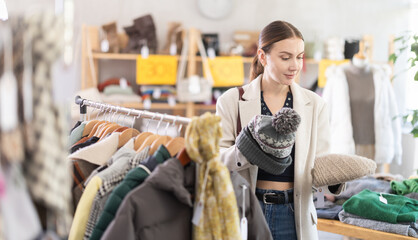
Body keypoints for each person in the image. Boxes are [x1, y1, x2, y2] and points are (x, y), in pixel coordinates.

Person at [216, 20, 331, 240]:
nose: (294, 66)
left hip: (294, 215)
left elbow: (321, 164)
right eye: (285, 57)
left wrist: (337, 179)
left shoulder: (315, 104)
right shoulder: (231, 100)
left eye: (299, 57)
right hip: (246, 211)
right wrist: (249, 149)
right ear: (262, 56)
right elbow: (215, 161)